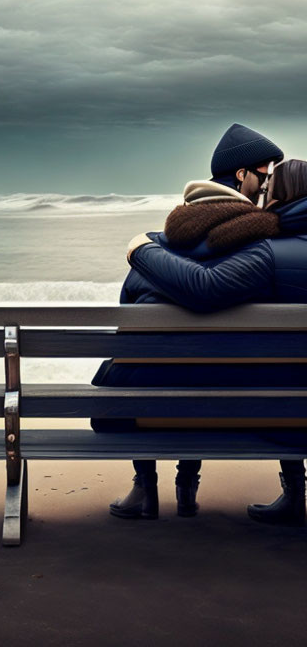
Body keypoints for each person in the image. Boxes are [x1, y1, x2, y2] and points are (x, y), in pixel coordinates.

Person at [99, 124, 286, 520]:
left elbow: (124, 334)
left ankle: (145, 488)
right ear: (242, 176)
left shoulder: (155, 249)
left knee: (139, 369)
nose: (268, 186)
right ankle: (187, 484)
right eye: (264, 176)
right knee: (204, 364)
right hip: (240, 399)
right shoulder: (258, 254)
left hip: (149, 402)